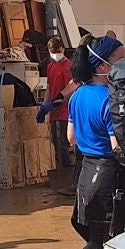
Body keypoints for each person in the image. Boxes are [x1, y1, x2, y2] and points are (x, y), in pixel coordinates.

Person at [50, 34, 125, 249]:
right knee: (107, 244)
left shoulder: (78, 95)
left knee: (98, 241)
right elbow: (116, 146)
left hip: (86, 175)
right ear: (104, 66)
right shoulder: (111, 100)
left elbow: (71, 138)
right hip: (109, 177)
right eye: (121, 59)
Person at [44, 35, 75, 170]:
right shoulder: (50, 66)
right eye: (53, 53)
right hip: (54, 109)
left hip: (65, 110)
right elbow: (49, 87)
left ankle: (67, 169)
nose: (56, 55)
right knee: (55, 141)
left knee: (63, 141)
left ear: (62, 49)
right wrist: (45, 105)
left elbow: (71, 89)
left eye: (58, 52)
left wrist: (59, 101)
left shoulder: (68, 67)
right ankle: (61, 167)